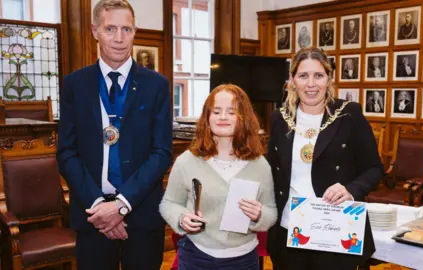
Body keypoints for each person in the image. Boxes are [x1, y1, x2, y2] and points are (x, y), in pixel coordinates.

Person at [56, 1, 172, 269]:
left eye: (126, 29)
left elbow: (161, 152)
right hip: (92, 215)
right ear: (95, 31)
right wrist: (100, 206)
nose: (119, 38)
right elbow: (66, 152)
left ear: (135, 31)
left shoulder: (157, 85)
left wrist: (121, 206)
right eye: (110, 29)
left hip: (141, 216)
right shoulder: (75, 84)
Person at [266, 47, 384, 270]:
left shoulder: (349, 114)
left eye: (318, 75)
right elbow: (270, 171)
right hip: (290, 231)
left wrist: (351, 189)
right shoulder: (279, 119)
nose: (311, 84)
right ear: (292, 80)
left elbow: (374, 168)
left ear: (329, 79)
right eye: (303, 76)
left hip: (335, 230)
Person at [160, 84, 277, 269]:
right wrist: (182, 217)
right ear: (207, 117)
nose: (223, 117)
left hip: (243, 261)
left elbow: (271, 211)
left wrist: (259, 215)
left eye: (231, 112)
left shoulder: (259, 164)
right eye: (216, 111)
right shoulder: (187, 161)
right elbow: (168, 203)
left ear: (244, 118)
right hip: (195, 257)